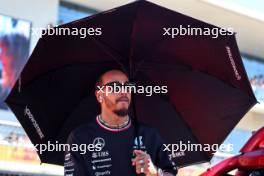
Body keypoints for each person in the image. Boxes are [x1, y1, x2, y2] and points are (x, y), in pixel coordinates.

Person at [64, 69, 177, 176]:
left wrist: (155, 173)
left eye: (128, 86)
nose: (123, 91)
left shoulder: (149, 134)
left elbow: (171, 171)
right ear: (99, 96)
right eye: (114, 87)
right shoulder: (80, 138)